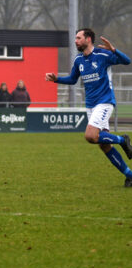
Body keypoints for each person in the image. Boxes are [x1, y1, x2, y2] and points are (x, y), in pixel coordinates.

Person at [45, 28, 132, 187]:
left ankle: (122, 140)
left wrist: (114, 50)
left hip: (104, 101)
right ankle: (130, 175)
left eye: (79, 38)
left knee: (90, 136)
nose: (76, 41)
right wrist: (56, 79)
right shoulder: (79, 60)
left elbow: (127, 61)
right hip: (90, 105)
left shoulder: (103, 55)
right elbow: (73, 79)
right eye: (75, 38)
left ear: (88, 39)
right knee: (104, 145)